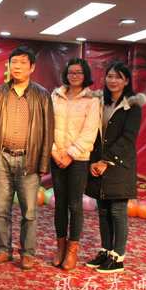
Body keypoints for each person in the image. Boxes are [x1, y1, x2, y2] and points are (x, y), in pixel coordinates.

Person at [0, 47, 54, 270]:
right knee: (1, 210)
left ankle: (27, 253)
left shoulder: (42, 95)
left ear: (32, 68)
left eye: (23, 63)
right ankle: (3, 250)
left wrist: (43, 163)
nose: (17, 66)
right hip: (3, 157)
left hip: (28, 159)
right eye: (14, 62)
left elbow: (48, 131)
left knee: (29, 212)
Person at [85, 62, 145, 273]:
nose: (113, 80)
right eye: (110, 76)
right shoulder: (100, 102)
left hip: (118, 166)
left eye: (118, 77)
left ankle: (118, 257)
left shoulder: (132, 106)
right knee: (103, 211)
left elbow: (128, 138)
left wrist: (105, 161)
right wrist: (94, 161)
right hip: (98, 165)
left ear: (126, 81)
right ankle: (105, 251)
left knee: (118, 211)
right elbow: (93, 133)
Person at [50, 58, 100, 270]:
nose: (74, 76)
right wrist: (55, 152)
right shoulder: (56, 96)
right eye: (71, 72)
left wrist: (70, 155)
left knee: (75, 204)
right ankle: (60, 249)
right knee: (59, 204)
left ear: (85, 74)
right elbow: (47, 125)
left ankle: (72, 252)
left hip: (78, 159)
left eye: (79, 72)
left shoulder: (92, 99)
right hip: (56, 157)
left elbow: (90, 132)